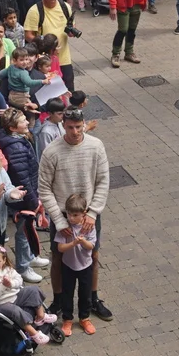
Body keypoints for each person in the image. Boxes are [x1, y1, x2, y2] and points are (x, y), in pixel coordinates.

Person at [38, 110, 112, 321]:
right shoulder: (51, 152)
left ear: (84, 124)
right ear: (63, 125)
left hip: (89, 215)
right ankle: (59, 301)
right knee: (58, 258)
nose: (75, 131)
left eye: (78, 127)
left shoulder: (96, 146)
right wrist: (59, 221)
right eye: (70, 127)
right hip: (62, 215)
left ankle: (92, 299)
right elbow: (44, 189)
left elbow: (103, 181)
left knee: (93, 255)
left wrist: (93, 213)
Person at [0, 245, 53, 342]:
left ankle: (40, 317)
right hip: (0, 304)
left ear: (4, 260)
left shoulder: (7, 269)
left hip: (15, 296)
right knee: (15, 311)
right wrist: (3, 286)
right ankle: (33, 333)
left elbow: (19, 280)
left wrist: (11, 284)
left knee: (34, 290)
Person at [54, 194, 97, 336]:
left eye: (75, 215)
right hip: (68, 265)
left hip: (85, 266)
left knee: (85, 293)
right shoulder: (65, 228)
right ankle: (67, 319)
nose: (71, 218)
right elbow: (60, 248)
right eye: (69, 214)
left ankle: (85, 318)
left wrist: (83, 241)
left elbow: (91, 246)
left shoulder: (88, 226)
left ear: (84, 213)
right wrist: (73, 243)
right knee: (67, 293)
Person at [23, 0, 77, 91]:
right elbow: (28, 35)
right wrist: (45, 45)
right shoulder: (35, 11)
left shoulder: (65, 7)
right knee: (48, 90)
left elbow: (71, 26)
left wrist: (71, 32)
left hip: (64, 57)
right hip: (45, 61)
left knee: (69, 87)